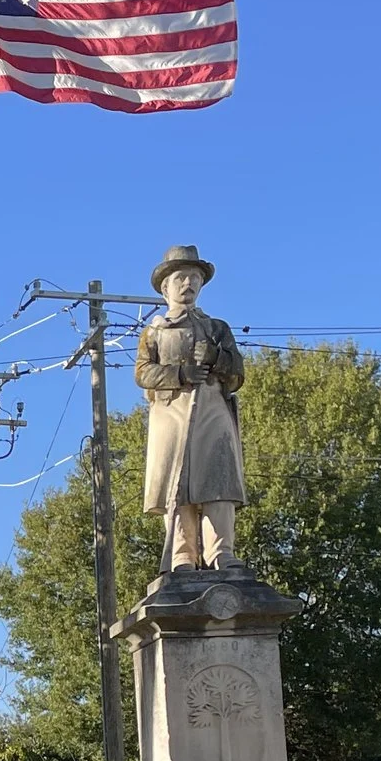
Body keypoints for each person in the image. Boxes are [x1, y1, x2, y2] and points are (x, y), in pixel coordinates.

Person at [135, 244, 248, 573]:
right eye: (181, 277)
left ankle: (220, 552)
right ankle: (182, 554)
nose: (189, 283)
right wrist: (180, 374)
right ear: (166, 286)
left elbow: (238, 372)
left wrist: (216, 358)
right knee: (178, 484)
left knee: (218, 480)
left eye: (195, 277)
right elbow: (142, 372)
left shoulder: (217, 329)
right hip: (170, 413)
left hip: (212, 409)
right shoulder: (155, 332)